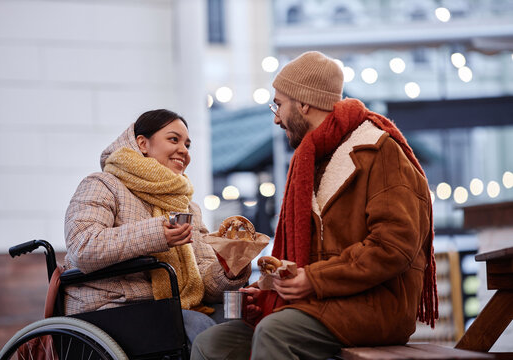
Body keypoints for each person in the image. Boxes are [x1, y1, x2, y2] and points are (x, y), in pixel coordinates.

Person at [191, 51, 438, 360]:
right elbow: (303, 258)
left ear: (304, 103)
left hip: (374, 305)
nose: (276, 117)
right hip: (321, 303)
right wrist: (268, 289)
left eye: (279, 104)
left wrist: (314, 280)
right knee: (211, 343)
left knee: (276, 332)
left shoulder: (379, 151)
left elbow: (394, 246)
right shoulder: (311, 161)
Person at [63, 109, 251, 344]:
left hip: (173, 306)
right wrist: (157, 233)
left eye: (188, 145)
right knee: (202, 330)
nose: (184, 150)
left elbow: (203, 281)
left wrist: (229, 269)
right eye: (174, 139)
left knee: (238, 322)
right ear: (143, 143)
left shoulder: (187, 206)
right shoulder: (103, 184)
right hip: (111, 306)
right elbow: (83, 246)